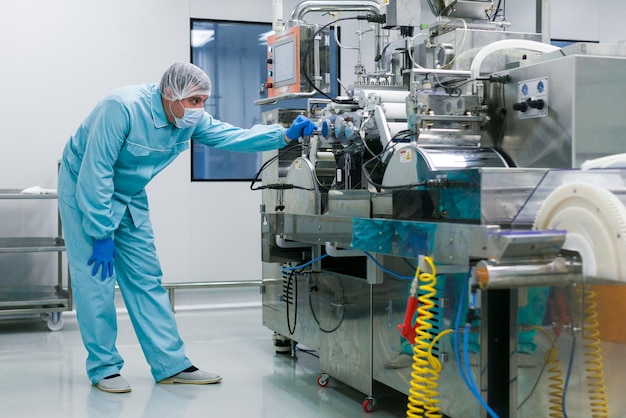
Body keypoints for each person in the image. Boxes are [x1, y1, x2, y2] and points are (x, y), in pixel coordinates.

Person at [57, 62, 316, 393]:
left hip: (129, 192)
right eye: (194, 101)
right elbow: (97, 171)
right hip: (84, 187)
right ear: (170, 93)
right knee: (96, 281)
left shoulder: (186, 119)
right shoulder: (120, 108)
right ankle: (104, 368)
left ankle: (171, 365)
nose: (200, 109)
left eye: (204, 101)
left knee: (146, 278)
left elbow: (230, 136)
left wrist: (283, 135)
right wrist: (101, 232)